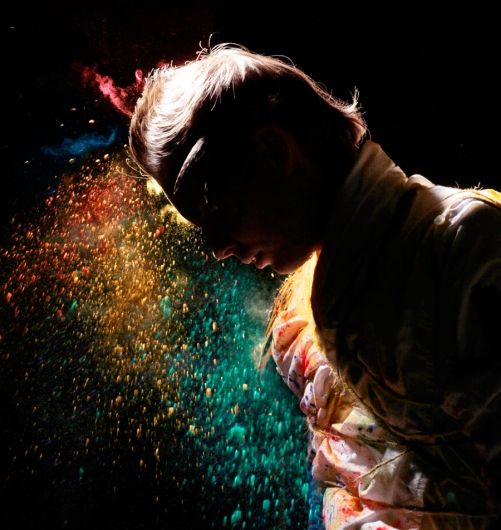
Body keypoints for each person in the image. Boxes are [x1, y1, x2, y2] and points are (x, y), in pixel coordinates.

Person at [128, 43, 501, 529]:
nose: (217, 247)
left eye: (214, 206)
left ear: (273, 150)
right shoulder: (321, 308)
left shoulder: (463, 249)